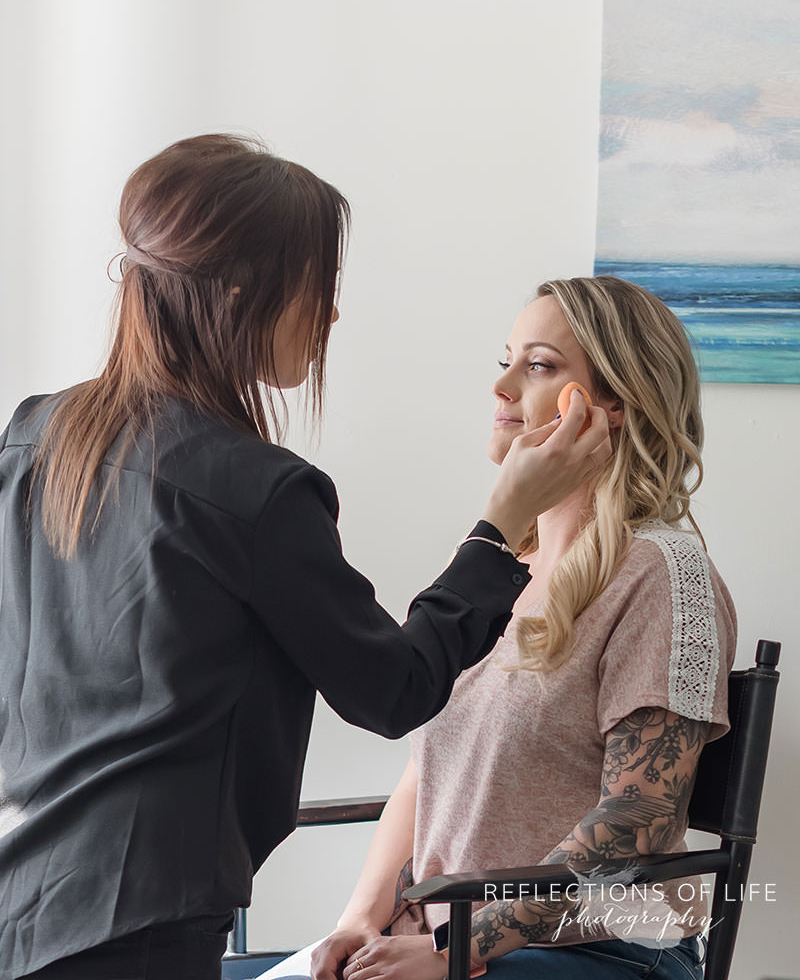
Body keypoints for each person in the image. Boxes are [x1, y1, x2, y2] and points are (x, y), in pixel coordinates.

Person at [0, 135, 611, 980]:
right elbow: (392, 687)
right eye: (319, 287)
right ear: (247, 292)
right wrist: (502, 522)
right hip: (139, 916)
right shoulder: (255, 490)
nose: (329, 316)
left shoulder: (37, 433)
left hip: (24, 893)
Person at [264, 275, 736, 980]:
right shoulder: (501, 573)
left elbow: (636, 821)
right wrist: (359, 918)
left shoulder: (663, 574)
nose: (503, 387)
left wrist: (458, 948)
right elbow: (429, 771)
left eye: (539, 365)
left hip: (599, 952)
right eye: (505, 361)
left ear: (613, 403)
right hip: (439, 942)